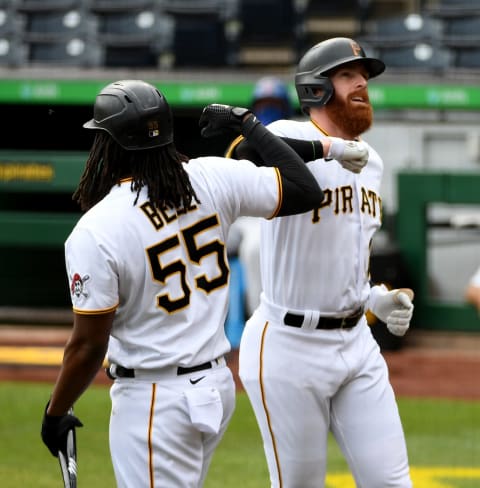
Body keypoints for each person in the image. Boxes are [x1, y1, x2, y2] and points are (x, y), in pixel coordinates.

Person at [39, 79, 364, 487]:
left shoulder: (96, 228)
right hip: (215, 389)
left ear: (109, 144)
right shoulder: (210, 177)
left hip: (155, 400)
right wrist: (248, 125)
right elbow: (305, 188)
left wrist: (55, 411)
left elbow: (88, 346)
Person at [230, 38, 415, 487]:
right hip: (288, 344)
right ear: (317, 87)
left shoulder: (374, 164)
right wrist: (327, 150)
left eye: (365, 77)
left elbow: (346, 259)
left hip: (356, 344)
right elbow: (238, 154)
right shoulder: (288, 138)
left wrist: (375, 299)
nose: (362, 84)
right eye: (349, 75)